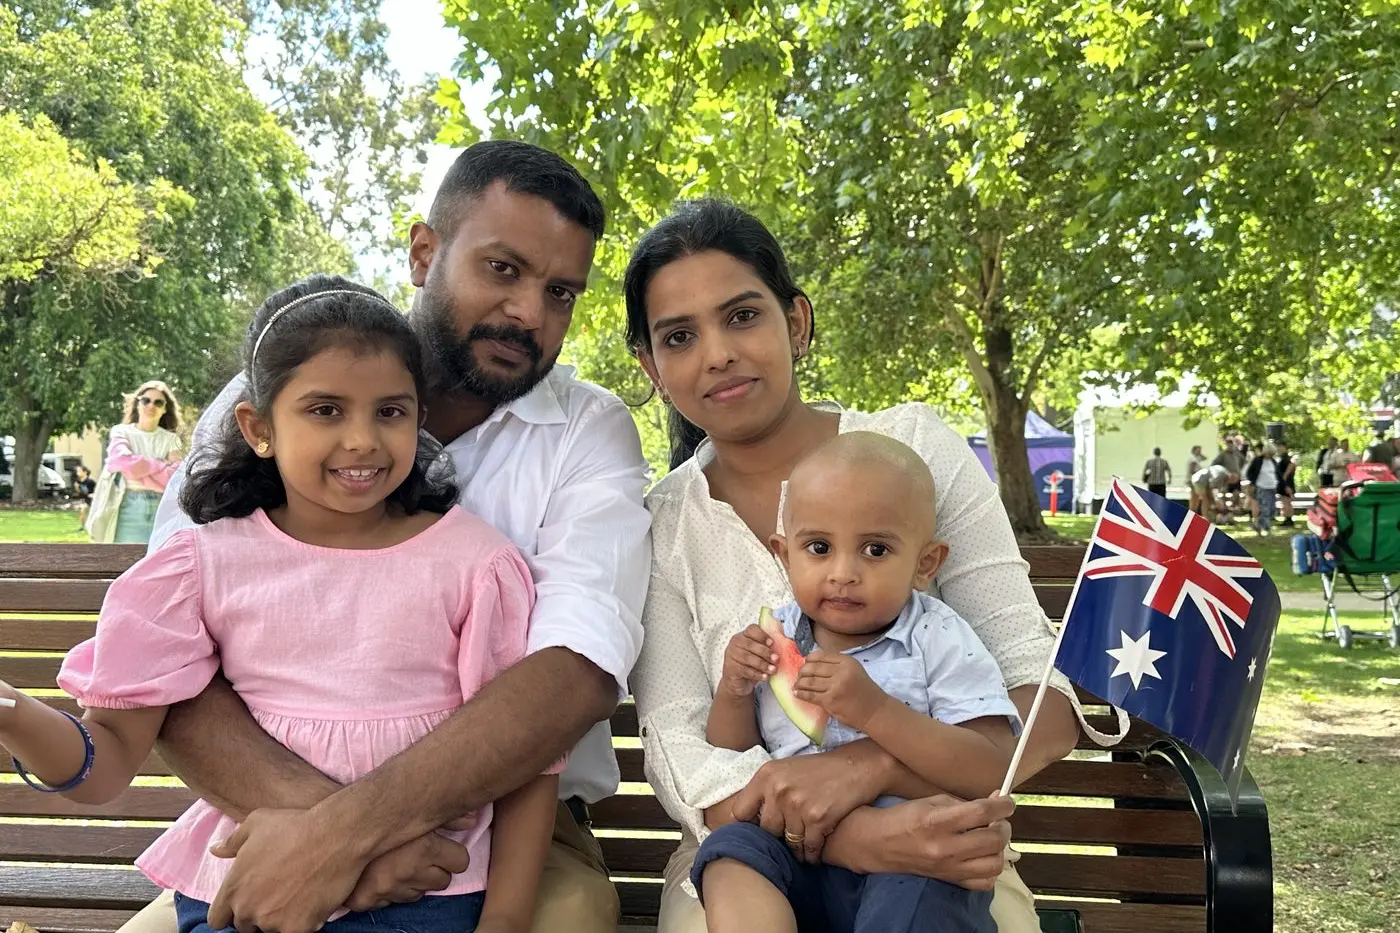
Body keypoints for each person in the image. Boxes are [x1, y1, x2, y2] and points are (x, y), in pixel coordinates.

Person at [124, 141, 652, 933]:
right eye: (502, 269)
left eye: (561, 293)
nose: (530, 313)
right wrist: (338, 840)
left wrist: (344, 836)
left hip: (516, 837)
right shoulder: (276, 385)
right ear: (424, 253)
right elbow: (166, 655)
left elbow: (575, 669)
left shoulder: (588, 431)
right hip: (259, 818)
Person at [0, 280, 560, 933]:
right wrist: (12, 713)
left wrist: (505, 919)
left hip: (427, 900)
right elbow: (108, 759)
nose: (362, 440)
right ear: (259, 428)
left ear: (418, 418)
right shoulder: (201, 567)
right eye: (325, 410)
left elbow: (525, 758)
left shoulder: (475, 564)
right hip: (250, 890)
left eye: (390, 411)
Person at [623, 199, 1083, 933]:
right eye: (680, 336)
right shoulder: (664, 526)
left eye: (742, 316)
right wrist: (854, 838)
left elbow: (1042, 701)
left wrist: (876, 764)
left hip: (937, 841)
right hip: (743, 851)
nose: (717, 354)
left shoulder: (913, 454)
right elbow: (683, 750)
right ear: (651, 366)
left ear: (796, 322)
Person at [697, 432, 1017, 933]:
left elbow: (990, 767)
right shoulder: (776, 637)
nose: (843, 573)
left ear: (925, 564)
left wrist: (875, 710)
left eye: (875, 549)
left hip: (915, 854)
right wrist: (733, 692)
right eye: (819, 547)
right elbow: (733, 755)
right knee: (729, 853)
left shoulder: (938, 636)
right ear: (785, 555)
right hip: (793, 850)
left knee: (927, 891)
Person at [90, 380, 184, 544]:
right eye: (146, 400)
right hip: (127, 506)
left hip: (162, 508)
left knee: (159, 559)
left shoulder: (172, 439)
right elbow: (120, 462)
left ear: (165, 409)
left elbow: (175, 478)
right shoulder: (121, 432)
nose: (151, 405)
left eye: (158, 402)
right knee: (124, 558)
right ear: (137, 404)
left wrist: (136, 472)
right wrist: (161, 465)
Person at [1244, 444, 1279, 536]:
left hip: (1272, 487)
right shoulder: (1258, 460)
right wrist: (1253, 483)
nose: (1271, 455)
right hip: (1261, 487)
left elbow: (1277, 474)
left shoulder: (1273, 461)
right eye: (1270, 453)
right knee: (1265, 508)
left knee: (1272, 509)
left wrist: (1284, 486)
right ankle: (1266, 527)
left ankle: (1258, 524)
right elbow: (1249, 473)